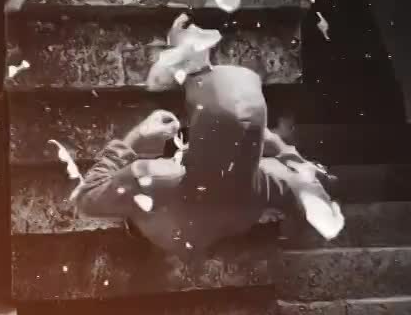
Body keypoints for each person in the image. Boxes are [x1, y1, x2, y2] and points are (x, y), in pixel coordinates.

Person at [74, 15, 344, 254]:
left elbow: (85, 198)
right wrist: (270, 143)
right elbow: (307, 179)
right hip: (228, 218)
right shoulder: (272, 179)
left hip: (168, 230)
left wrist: (135, 138)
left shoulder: (154, 176)